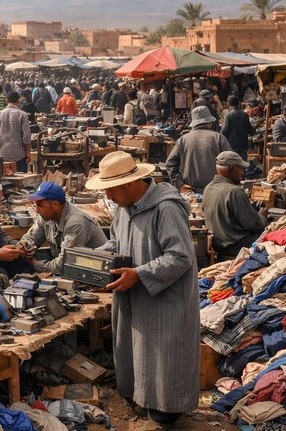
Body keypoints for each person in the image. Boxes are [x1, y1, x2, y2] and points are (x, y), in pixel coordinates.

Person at [84, 152, 199, 425]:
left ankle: (168, 407)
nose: (108, 197)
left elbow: (181, 256)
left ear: (129, 184)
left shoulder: (166, 208)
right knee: (136, 351)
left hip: (164, 300)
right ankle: (142, 397)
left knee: (163, 356)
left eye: (111, 190)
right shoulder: (124, 210)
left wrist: (140, 274)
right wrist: (92, 259)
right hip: (134, 296)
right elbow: (115, 243)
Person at [19, 182, 107, 275]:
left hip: (93, 271)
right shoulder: (46, 216)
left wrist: (35, 264)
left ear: (55, 205)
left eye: (40, 205)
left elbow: (64, 264)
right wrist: (26, 247)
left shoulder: (75, 222)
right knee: (20, 258)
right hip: (67, 264)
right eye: (36, 205)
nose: (37, 210)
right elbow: (30, 238)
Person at [202, 151, 268, 261]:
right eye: (240, 169)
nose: (242, 173)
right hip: (235, 246)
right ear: (232, 170)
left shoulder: (208, 188)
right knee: (271, 234)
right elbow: (255, 225)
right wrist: (263, 215)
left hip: (219, 244)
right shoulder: (235, 191)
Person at [165, 106, 232, 193]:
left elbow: (170, 164)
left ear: (193, 124)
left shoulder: (182, 140)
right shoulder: (219, 138)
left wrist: (179, 183)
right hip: (216, 191)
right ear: (209, 123)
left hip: (190, 192)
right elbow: (231, 163)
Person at [0, 91, 32, 172]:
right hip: (20, 155)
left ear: (6, 100)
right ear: (18, 101)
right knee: (20, 180)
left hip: (3, 154)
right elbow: (26, 136)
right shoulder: (22, 114)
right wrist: (28, 152)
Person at [221, 95, 254, 161]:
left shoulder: (229, 115)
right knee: (242, 165)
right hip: (243, 145)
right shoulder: (244, 114)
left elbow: (224, 131)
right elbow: (250, 130)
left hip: (232, 146)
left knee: (233, 165)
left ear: (228, 103)